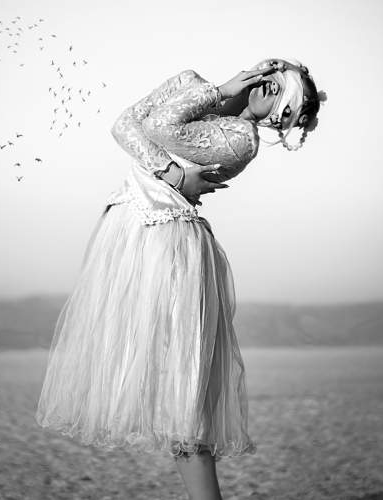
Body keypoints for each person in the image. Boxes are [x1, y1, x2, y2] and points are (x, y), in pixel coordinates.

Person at [35, 58, 325, 500]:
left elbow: (161, 127)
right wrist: (175, 167)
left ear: (277, 108)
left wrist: (220, 93)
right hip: (136, 235)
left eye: (278, 88)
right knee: (160, 388)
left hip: (169, 248)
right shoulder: (192, 85)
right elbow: (123, 126)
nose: (265, 84)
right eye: (267, 74)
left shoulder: (241, 139)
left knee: (183, 398)